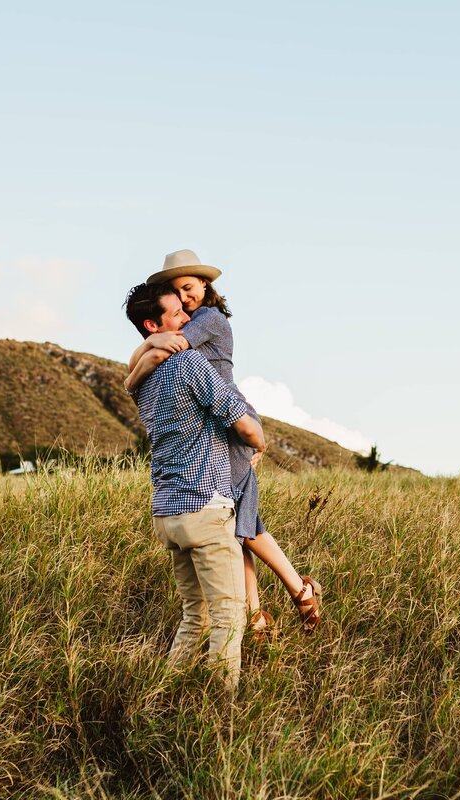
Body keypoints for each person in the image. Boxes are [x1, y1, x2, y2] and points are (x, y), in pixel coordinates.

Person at [124, 249, 321, 635]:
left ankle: (297, 591)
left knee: (241, 522)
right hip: (215, 420)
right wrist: (137, 368)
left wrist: (133, 378)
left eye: (188, 288)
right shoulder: (192, 319)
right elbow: (150, 347)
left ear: (204, 285)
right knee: (235, 521)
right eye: (177, 294)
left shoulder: (208, 320)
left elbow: (161, 346)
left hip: (230, 421)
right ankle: (259, 614)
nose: (184, 299)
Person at [123, 280, 266, 690]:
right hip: (205, 506)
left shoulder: (143, 382)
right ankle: (222, 710)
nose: (188, 317)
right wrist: (261, 441)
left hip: (167, 513)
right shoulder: (189, 364)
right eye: (177, 315)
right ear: (154, 325)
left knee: (194, 615)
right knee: (228, 615)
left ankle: (163, 694)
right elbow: (240, 421)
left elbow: (130, 379)